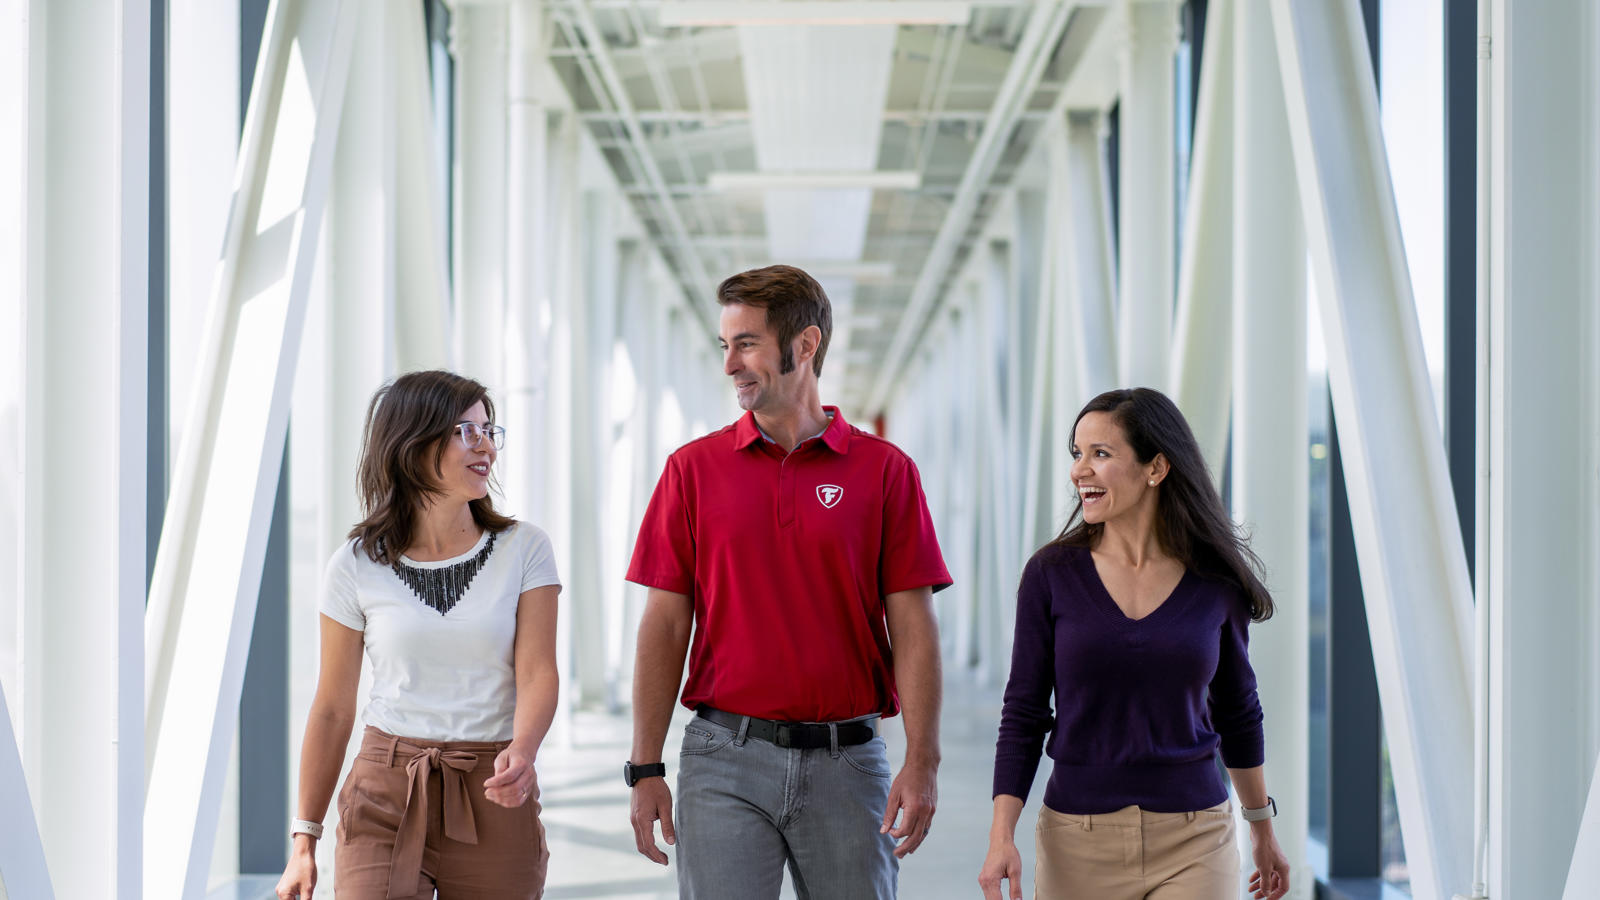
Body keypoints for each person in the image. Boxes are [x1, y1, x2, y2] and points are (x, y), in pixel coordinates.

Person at [624, 265, 952, 899]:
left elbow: (912, 625)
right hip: (723, 758)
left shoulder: (886, 472)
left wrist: (923, 758)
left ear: (805, 345)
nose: (731, 365)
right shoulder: (692, 471)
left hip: (850, 763)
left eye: (746, 343)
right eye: (726, 345)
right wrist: (645, 768)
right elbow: (664, 624)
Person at [979, 388, 1291, 900]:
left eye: (1101, 454)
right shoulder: (1051, 575)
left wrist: (1262, 829)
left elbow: (1238, 711)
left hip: (1197, 839)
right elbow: (1024, 712)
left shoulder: (1215, 580)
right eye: (1077, 454)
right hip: (1077, 842)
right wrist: (1000, 837)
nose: (1081, 470)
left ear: (1156, 468)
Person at [274, 370, 561, 900]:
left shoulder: (525, 549)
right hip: (384, 788)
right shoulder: (355, 565)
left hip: (493, 788)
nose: (487, 449)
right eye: (467, 432)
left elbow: (538, 670)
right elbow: (333, 707)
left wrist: (524, 750)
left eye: (489, 431)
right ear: (414, 443)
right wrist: (304, 840)